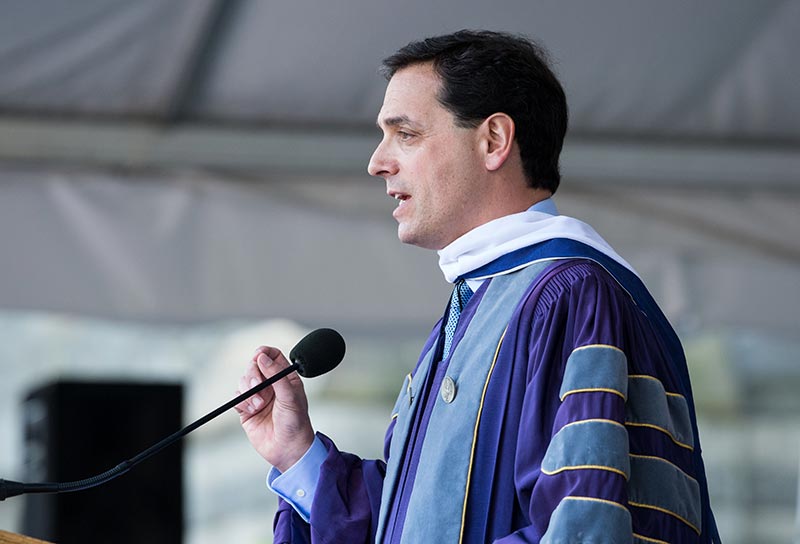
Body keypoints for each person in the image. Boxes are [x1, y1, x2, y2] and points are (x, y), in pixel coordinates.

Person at [235, 30, 721, 543]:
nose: (377, 162)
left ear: (493, 141)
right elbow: (423, 524)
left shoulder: (571, 296)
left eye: (406, 134)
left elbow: (580, 525)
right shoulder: (480, 303)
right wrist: (297, 454)